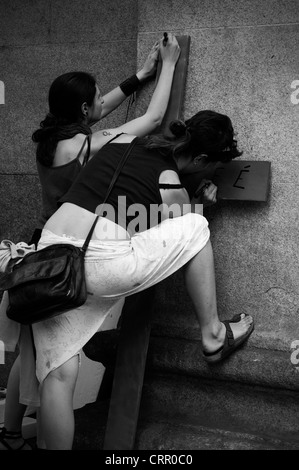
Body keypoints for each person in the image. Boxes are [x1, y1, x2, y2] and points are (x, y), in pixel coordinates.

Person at [27, 109, 253, 450]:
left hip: (50, 258)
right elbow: (178, 232)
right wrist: (201, 204)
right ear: (202, 158)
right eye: (214, 167)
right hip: (103, 264)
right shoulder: (170, 181)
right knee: (196, 227)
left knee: (58, 373)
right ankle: (213, 333)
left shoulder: (119, 140)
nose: (212, 172)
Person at [0, 33, 181, 451]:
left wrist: (141, 75)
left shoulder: (53, 140)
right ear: (84, 110)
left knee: (32, 355)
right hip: (69, 259)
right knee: (61, 368)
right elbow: (151, 121)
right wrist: (168, 66)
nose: (103, 104)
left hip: (38, 254)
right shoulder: (89, 144)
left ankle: (10, 433)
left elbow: (102, 109)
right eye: (96, 100)